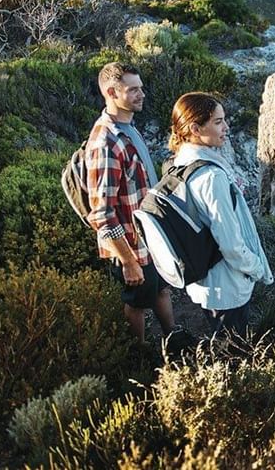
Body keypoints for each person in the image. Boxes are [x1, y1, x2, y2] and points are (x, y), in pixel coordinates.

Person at [168, 91, 273, 338]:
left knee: (221, 341)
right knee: (232, 350)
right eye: (218, 122)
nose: (226, 127)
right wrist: (257, 268)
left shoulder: (178, 164)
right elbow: (230, 244)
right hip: (227, 286)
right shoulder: (211, 177)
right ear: (195, 129)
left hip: (206, 280)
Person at [86, 61, 175, 343]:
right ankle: (139, 354)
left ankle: (172, 338)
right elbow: (102, 213)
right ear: (112, 93)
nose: (142, 94)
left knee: (161, 289)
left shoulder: (128, 128)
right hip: (132, 246)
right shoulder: (106, 142)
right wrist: (128, 261)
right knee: (137, 303)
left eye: (141, 88)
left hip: (151, 237)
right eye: (133, 89)